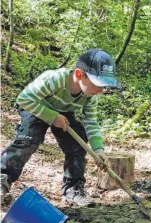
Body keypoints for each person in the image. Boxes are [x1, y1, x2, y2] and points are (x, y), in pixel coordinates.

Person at [0, 48, 121, 206]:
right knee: (29, 140)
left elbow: (90, 121)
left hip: (64, 112)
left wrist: (98, 149)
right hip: (36, 105)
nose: (101, 90)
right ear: (79, 75)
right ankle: (2, 179)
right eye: (98, 84)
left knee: (77, 145)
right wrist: (52, 117)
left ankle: (73, 189)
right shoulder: (55, 79)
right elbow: (24, 99)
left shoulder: (90, 95)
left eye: (104, 86)